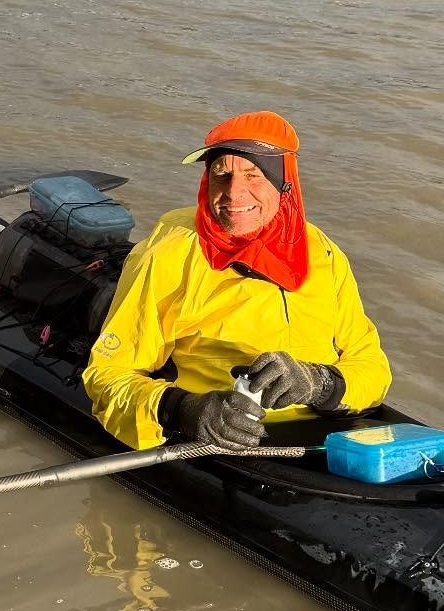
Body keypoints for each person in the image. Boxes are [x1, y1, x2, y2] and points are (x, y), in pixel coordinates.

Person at [82, 111, 391, 449]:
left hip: (324, 435)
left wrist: (319, 383)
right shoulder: (167, 256)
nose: (234, 193)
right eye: (221, 174)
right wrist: (184, 410)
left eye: (252, 175)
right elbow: (106, 376)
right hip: (215, 438)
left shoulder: (323, 254)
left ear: (284, 183)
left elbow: (372, 367)